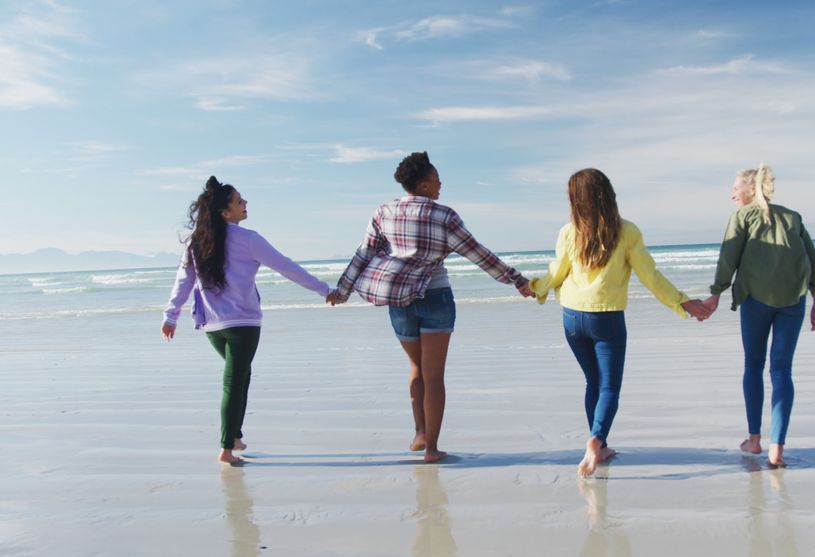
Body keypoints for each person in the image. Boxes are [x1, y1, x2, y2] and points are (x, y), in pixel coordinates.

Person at [328, 152, 533, 463]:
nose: (441, 185)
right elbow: (479, 254)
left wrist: (342, 290)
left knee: (416, 369)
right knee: (434, 375)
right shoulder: (444, 216)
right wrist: (516, 280)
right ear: (423, 185)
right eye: (437, 180)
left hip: (399, 301)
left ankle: (420, 432)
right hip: (435, 298)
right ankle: (433, 449)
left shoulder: (383, 212)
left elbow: (363, 253)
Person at [529, 168, 710, 477]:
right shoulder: (627, 232)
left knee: (593, 382)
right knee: (609, 386)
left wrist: (536, 287)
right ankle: (596, 441)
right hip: (607, 318)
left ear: (575, 200)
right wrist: (683, 302)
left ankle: (600, 444)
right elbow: (650, 276)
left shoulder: (568, 232)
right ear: (608, 194)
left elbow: (556, 272)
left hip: (572, 318)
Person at [162, 176, 332, 465]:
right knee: (233, 380)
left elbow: (183, 282)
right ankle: (226, 449)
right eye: (239, 201)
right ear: (224, 212)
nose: (245, 204)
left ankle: (235, 435)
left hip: (213, 326)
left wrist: (171, 316)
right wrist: (324, 290)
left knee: (241, 375)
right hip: (243, 324)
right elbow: (286, 266)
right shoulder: (249, 239)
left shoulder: (198, 242)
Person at [702, 164, 815, 467]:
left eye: (736, 188)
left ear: (750, 189)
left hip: (756, 301)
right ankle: (777, 448)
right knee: (782, 371)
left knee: (754, 366)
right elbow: (812, 259)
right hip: (792, 302)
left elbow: (728, 257)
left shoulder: (742, 217)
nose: (732, 193)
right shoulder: (792, 217)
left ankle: (755, 440)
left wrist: (716, 293)